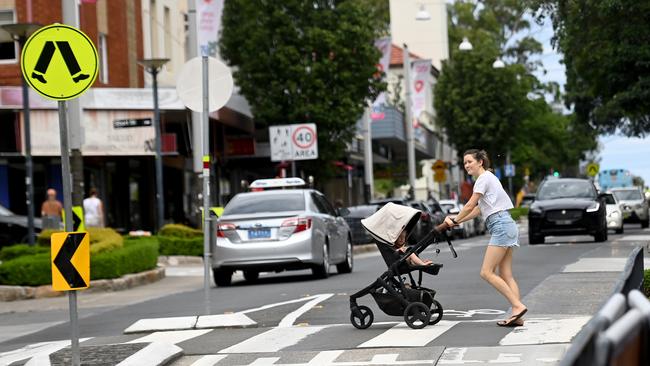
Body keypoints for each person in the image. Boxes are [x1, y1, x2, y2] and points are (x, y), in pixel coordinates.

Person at [444, 149, 527, 327]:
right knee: (506, 274)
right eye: (464, 163)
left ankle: (518, 306)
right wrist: (456, 221)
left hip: (501, 226)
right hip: (506, 224)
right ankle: (517, 315)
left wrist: (455, 219)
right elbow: (477, 210)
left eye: (469, 162)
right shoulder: (490, 178)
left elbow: (470, 204)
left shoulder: (482, 179)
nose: (466, 165)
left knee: (486, 272)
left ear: (480, 162)